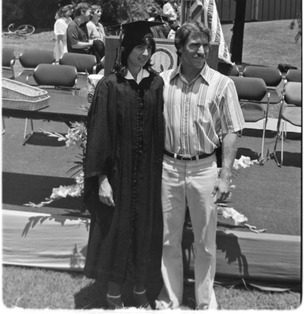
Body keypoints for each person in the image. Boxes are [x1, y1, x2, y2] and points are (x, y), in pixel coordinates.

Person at [157, 21, 245, 310]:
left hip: (204, 169)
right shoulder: (162, 81)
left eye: (205, 45)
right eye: (194, 45)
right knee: (169, 240)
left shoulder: (222, 84)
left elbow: (232, 130)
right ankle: (171, 299)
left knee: (205, 244)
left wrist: (225, 174)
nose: (201, 50)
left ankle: (206, 303)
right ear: (179, 48)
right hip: (168, 168)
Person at [83, 20, 165, 309]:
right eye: (140, 47)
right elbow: (99, 134)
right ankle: (114, 291)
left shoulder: (156, 84)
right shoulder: (110, 85)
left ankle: (141, 288)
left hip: (147, 176)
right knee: (116, 231)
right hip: (118, 174)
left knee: (144, 228)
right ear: (127, 48)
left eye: (149, 47)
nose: (145, 53)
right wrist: (101, 177)